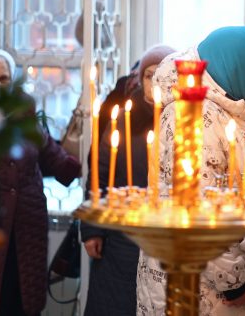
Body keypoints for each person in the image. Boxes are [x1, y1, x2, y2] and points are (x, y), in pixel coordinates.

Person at [136, 26, 245, 316]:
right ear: (232, 63)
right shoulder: (196, 115)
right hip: (207, 285)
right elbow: (199, 207)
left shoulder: (234, 108)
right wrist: (232, 281)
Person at [0, 49, 82, 316]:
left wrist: (84, 164)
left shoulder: (26, 117)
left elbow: (53, 157)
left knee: (21, 298)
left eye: (3, 78)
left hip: (26, 226)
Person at [81, 44, 175, 316]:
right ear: (140, 78)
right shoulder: (123, 120)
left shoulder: (184, 121)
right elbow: (100, 174)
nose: (154, 81)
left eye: (161, 74)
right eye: (149, 75)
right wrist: (92, 230)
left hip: (165, 237)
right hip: (121, 238)